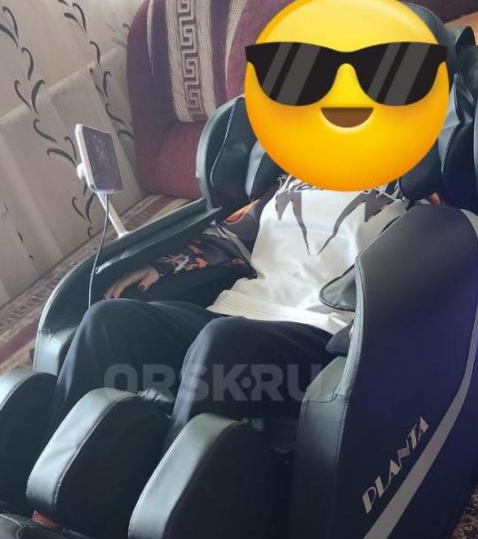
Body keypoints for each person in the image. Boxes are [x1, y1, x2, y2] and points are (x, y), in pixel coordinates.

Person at [49, 175, 410, 443]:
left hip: (319, 336)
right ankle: (44, 489)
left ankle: (158, 503)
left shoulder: (408, 191)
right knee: (107, 321)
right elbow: (231, 233)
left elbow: (415, 267)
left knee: (222, 342)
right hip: (234, 311)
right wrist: (166, 265)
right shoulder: (292, 178)